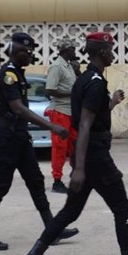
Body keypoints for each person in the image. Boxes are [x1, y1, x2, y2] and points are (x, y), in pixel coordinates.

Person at [17, 31, 128, 255]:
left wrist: (112, 103)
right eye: (110, 49)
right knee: (122, 208)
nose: (113, 53)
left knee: (70, 212)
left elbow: (91, 117)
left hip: (88, 155)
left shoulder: (85, 79)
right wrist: (80, 168)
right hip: (95, 157)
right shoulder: (95, 83)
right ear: (102, 52)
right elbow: (84, 126)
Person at [0, 33, 78, 250]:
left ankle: (52, 228)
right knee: (0, 186)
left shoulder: (19, 74)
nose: (31, 57)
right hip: (6, 137)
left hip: (19, 136)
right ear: (16, 51)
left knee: (36, 181)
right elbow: (18, 108)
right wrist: (52, 126)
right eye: (27, 52)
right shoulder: (8, 75)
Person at [46, 39, 79, 194]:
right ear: (66, 50)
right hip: (60, 111)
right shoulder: (57, 66)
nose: (75, 52)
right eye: (73, 49)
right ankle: (57, 181)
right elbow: (50, 90)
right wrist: (72, 93)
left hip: (70, 111)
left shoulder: (69, 66)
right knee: (59, 147)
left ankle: (75, 174)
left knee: (75, 143)